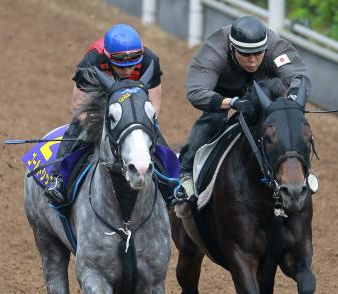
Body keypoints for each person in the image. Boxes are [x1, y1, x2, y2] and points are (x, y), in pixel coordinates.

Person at [178, 15, 311, 200]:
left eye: (258, 53)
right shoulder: (214, 50)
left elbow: (298, 76)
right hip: (224, 92)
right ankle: (186, 171)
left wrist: (292, 101)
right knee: (213, 119)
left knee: (288, 121)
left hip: (264, 90)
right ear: (232, 48)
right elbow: (195, 91)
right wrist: (232, 102)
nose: (253, 61)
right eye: (246, 54)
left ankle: (301, 172)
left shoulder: (275, 46)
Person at [44, 23, 163, 204]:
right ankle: (57, 179)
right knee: (76, 133)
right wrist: (102, 127)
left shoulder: (149, 60)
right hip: (98, 108)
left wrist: (142, 124)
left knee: (159, 142)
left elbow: (154, 104)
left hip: (135, 111)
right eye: (121, 67)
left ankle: (174, 184)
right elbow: (77, 105)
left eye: (132, 66)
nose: (128, 71)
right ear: (108, 58)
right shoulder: (91, 62)